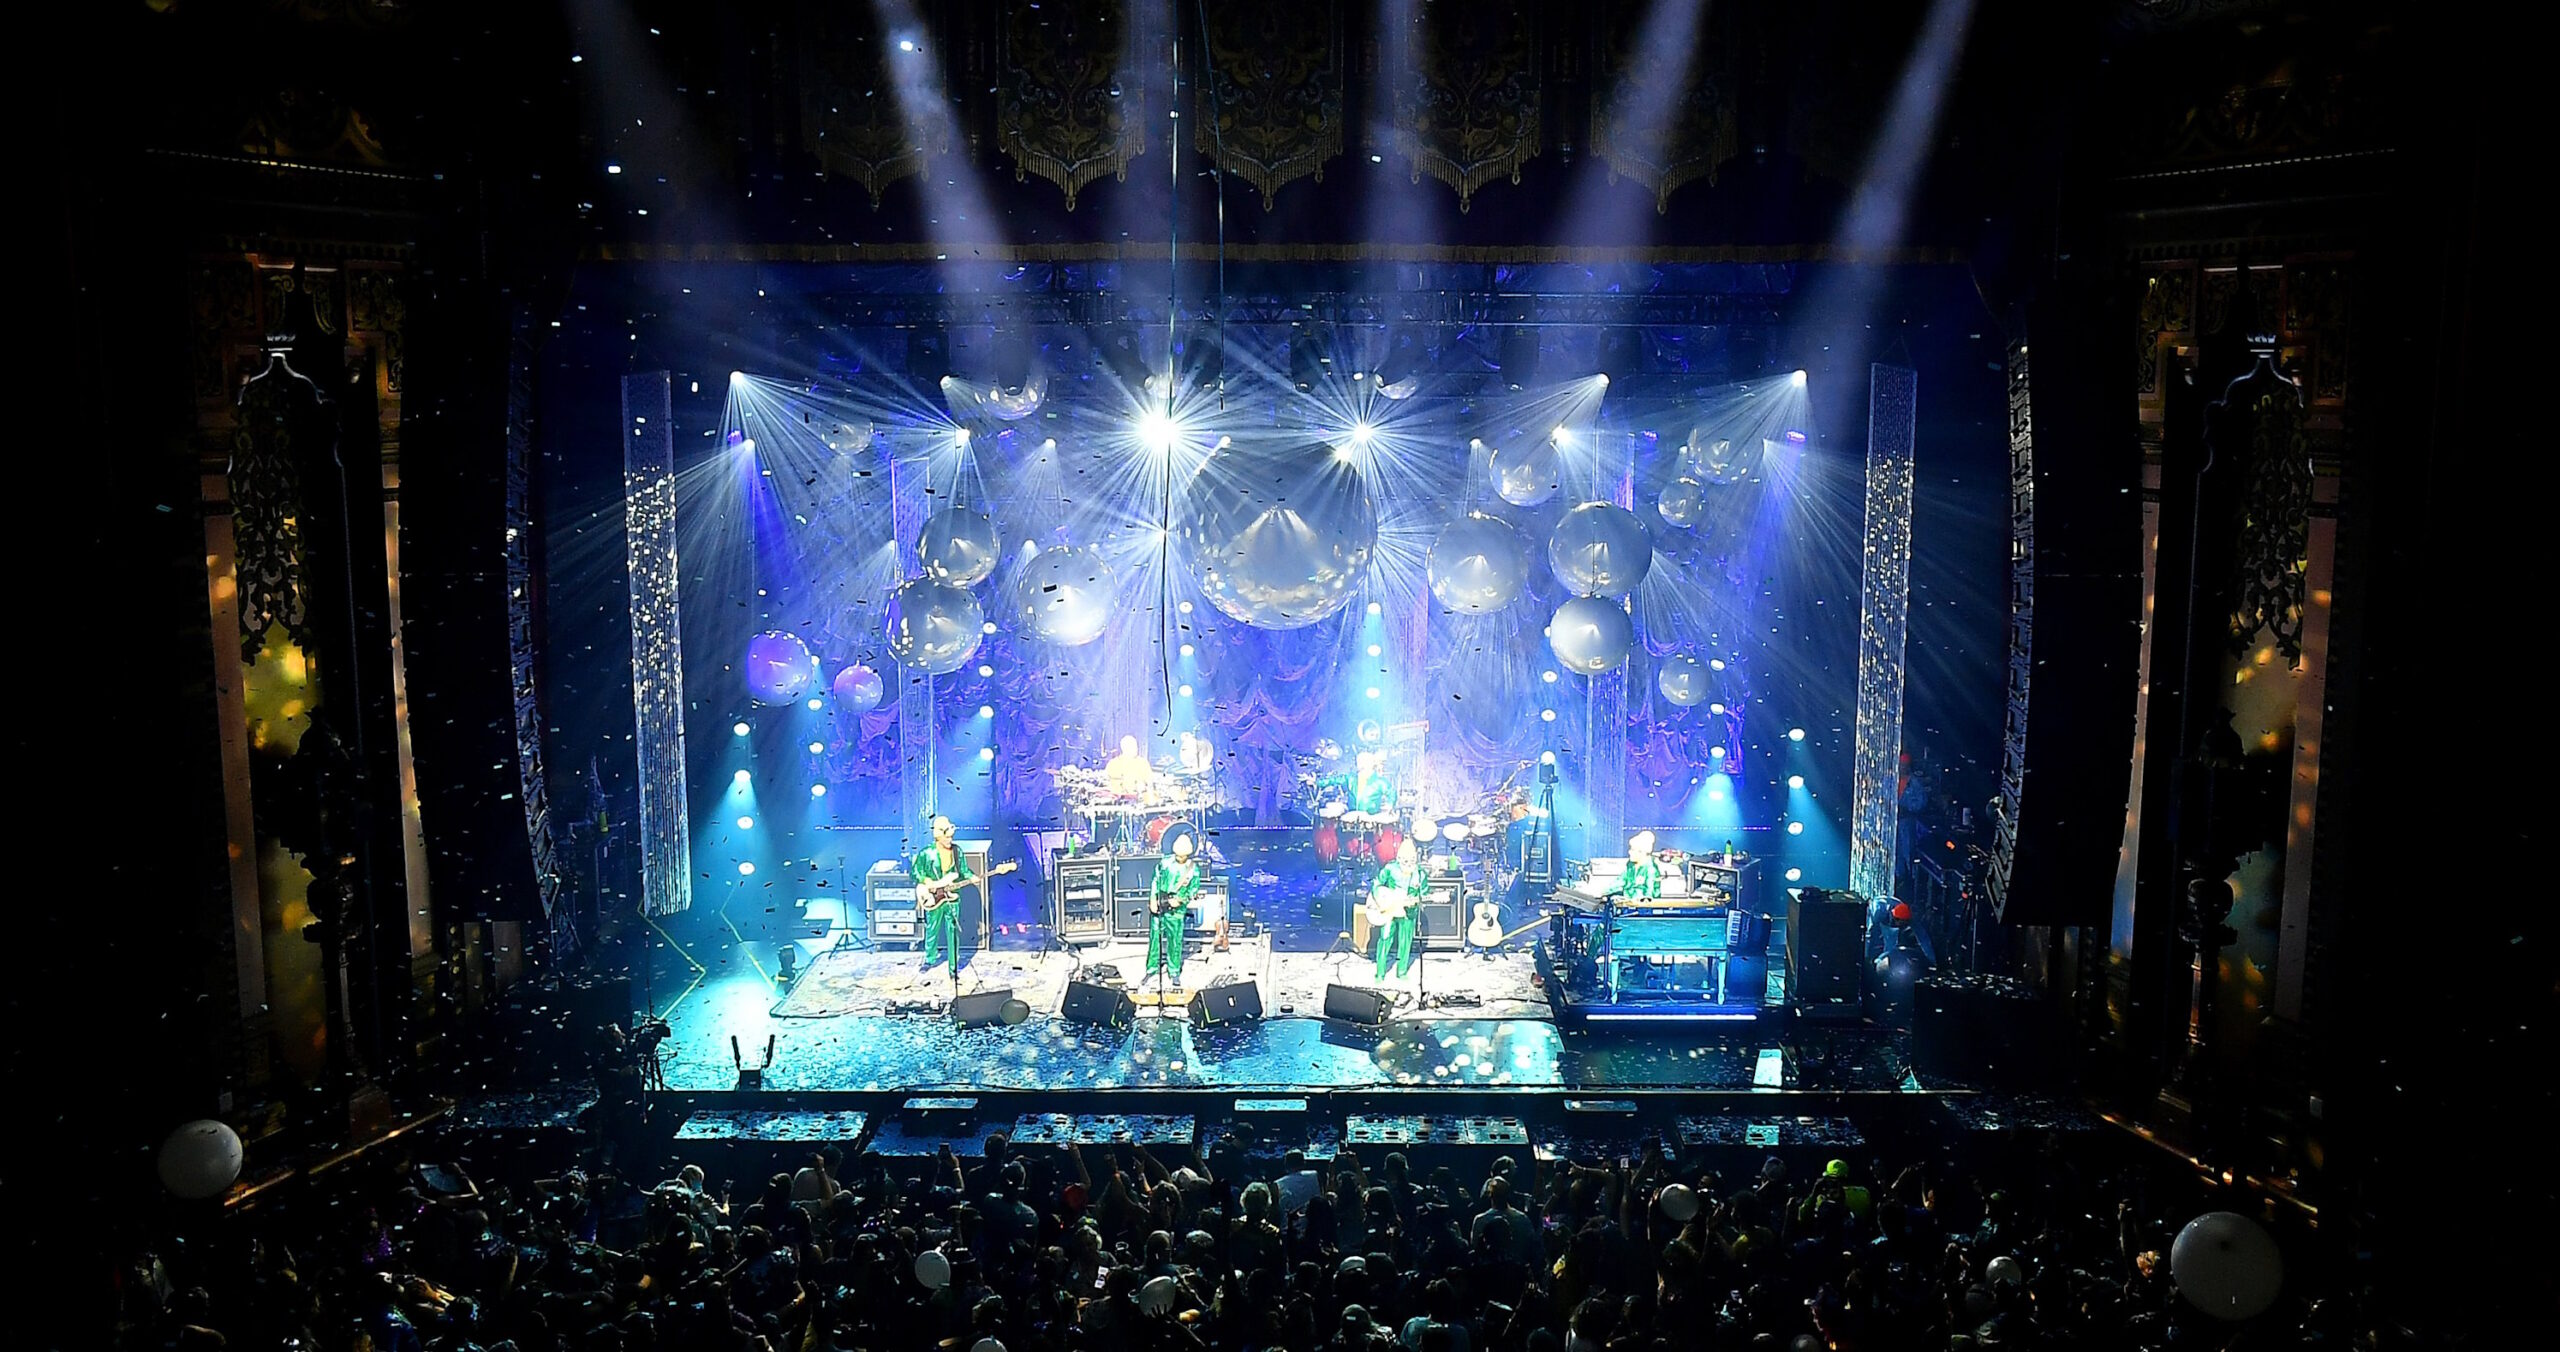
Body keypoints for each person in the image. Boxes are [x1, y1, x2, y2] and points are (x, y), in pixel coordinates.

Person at [911, 815, 974, 978]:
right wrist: (927, 881)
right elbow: (916, 872)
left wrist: (972, 876)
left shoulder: (957, 851)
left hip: (953, 897)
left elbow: (964, 870)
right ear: (938, 837)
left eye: (951, 836)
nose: (950, 839)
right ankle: (929, 959)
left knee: (953, 930)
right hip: (934, 897)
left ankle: (953, 968)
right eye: (947, 837)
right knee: (932, 928)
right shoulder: (927, 853)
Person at [1147, 834, 1202, 988]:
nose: (1180, 858)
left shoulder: (1193, 870)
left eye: (1182, 856)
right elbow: (1155, 880)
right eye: (1178, 855)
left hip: (1176, 909)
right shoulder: (1165, 863)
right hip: (1160, 901)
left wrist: (1180, 900)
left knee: (1175, 941)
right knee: (1155, 938)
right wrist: (1152, 899)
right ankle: (1151, 969)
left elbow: (1193, 890)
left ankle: (1174, 971)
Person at [1372, 839, 1428, 983]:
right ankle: (1380, 972)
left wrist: (1417, 899)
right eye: (1405, 860)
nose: (1408, 863)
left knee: (1405, 941)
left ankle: (1401, 971)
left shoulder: (1420, 874)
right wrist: (1381, 899)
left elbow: (1424, 893)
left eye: (1411, 860)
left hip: (1408, 912)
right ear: (1399, 858)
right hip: (1389, 910)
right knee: (1385, 939)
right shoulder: (1390, 868)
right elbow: (1377, 883)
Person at [1618, 831, 1664, 904]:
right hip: (1627, 903)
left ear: (1641, 852)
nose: (1629, 852)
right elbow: (1620, 881)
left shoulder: (1651, 870)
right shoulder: (1630, 867)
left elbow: (1650, 890)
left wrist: (1645, 900)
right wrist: (1604, 892)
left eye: (1632, 850)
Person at [1105, 734, 1155, 798]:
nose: (1137, 749)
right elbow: (1107, 784)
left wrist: (1144, 788)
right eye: (1133, 746)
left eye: (1136, 746)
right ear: (1124, 748)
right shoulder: (1113, 764)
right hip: (1118, 802)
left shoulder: (1143, 763)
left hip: (1139, 800)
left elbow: (1150, 783)